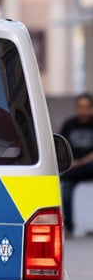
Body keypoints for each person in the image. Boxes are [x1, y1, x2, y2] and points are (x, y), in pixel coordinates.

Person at [60, 92, 93, 236]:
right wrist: (72, 162)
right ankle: (69, 226)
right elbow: (61, 147)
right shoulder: (69, 124)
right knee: (66, 189)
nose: (83, 111)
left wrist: (81, 162)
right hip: (73, 167)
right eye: (80, 107)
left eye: (86, 107)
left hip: (89, 165)